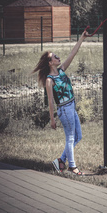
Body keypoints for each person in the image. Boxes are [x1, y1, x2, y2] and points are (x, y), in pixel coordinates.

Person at [33, 30, 89, 175]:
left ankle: (60, 161)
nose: (58, 57)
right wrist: (52, 119)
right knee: (70, 138)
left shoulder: (62, 70)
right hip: (64, 110)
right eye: (55, 57)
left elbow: (73, 53)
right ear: (50, 63)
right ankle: (72, 166)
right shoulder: (49, 80)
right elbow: (51, 102)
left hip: (71, 106)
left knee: (78, 136)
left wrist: (82, 37)